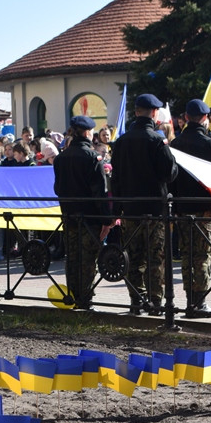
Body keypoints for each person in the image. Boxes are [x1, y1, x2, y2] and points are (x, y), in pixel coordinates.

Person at [109, 93, 178, 314]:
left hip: (129, 210)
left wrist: (117, 208)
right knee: (155, 257)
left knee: (133, 257)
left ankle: (136, 300)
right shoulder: (157, 140)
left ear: (136, 112)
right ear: (155, 113)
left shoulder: (120, 142)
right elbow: (169, 173)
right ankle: (157, 303)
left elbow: (116, 178)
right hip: (154, 210)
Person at [169, 98, 211, 317]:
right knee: (203, 255)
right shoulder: (208, 144)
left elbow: (172, 176)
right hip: (204, 208)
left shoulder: (176, 143)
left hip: (182, 207)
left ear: (186, 118)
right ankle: (200, 303)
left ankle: (189, 299)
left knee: (187, 254)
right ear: (204, 118)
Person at [53, 115, 111, 310]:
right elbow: (99, 192)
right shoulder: (93, 157)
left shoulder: (61, 158)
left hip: (69, 215)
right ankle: (85, 299)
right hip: (89, 217)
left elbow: (57, 188)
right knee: (87, 259)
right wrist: (106, 219)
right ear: (87, 132)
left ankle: (72, 296)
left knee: (72, 256)